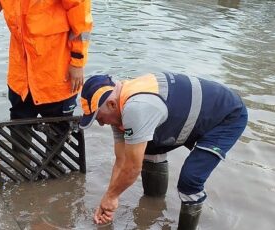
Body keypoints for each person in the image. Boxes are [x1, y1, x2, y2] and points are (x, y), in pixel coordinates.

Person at [79, 72, 248, 229]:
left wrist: (111, 197)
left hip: (225, 116)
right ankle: (153, 206)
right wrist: (109, 198)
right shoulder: (118, 109)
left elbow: (132, 168)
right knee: (149, 147)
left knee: (190, 181)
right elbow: (121, 159)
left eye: (99, 118)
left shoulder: (136, 109)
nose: (101, 124)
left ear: (111, 103)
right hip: (187, 115)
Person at [0, 0, 93, 165]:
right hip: (21, 72)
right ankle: (21, 165)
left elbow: (81, 20)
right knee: (19, 121)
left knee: (59, 128)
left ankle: (54, 166)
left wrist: (77, 61)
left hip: (56, 69)